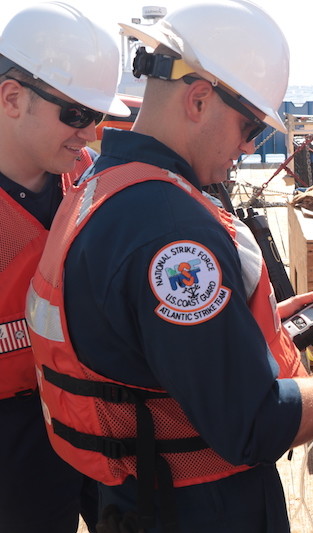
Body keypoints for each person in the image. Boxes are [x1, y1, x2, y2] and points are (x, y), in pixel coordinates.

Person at [24, 1, 313, 532]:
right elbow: (255, 424)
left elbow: (140, 340)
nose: (247, 150)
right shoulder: (171, 228)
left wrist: (250, 320)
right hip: (198, 507)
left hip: (137, 494)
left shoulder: (98, 185)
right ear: (198, 100)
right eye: (249, 129)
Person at [0, 3, 130, 532]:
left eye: (96, 116)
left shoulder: (87, 180)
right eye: (76, 114)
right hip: (13, 435)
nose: (88, 132)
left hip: (96, 409)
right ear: (11, 98)